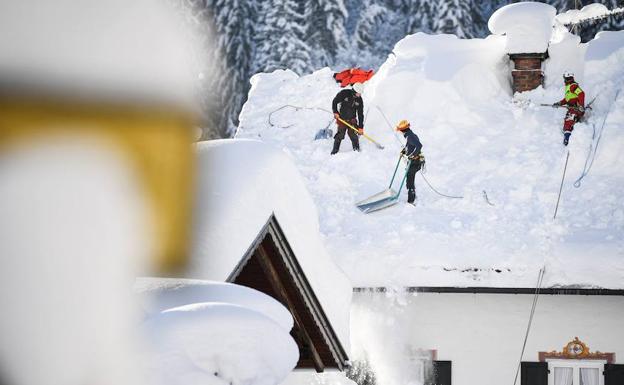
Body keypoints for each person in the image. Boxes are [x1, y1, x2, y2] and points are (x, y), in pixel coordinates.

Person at [331, 82, 364, 154]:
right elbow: (335, 101)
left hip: (352, 120)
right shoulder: (344, 93)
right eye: (359, 93)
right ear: (354, 91)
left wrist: (361, 127)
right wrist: (335, 112)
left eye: (360, 93)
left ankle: (357, 151)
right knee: (340, 135)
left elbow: (360, 114)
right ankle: (334, 151)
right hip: (342, 119)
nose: (360, 95)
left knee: (353, 135)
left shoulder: (359, 100)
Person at [553, 72, 585, 146]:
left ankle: (567, 140)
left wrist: (581, 106)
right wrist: (559, 103)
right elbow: (567, 99)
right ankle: (571, 136)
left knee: (568, 122)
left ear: (568, 79)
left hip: (576, 108)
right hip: (571, 109)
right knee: (567, 123)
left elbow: (581, 94)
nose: (564, 81)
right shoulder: (569, 87)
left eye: (565, 79)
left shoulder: (573, 86)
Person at [396, 120, 424, 204]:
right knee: (409, 179)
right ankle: (412, 195)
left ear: (402, 130)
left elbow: (419, 145)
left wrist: (413, 155)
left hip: (415, 162)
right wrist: (404, 151)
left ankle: (411, 200)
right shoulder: (409, 135)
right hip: (413, 161)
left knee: (410, 180)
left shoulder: (410, 136)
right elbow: (410, 146)